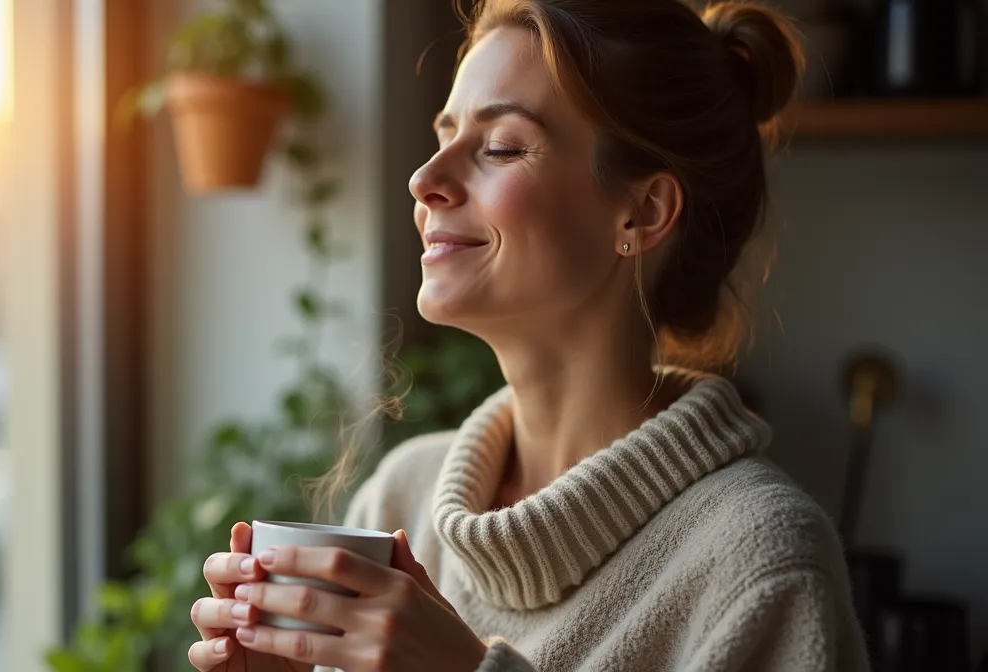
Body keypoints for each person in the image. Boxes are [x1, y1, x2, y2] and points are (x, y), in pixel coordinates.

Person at [188, 0, 869, 669]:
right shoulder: (402, 501)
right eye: (443, 135)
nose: (424, 180)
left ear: (643, 210)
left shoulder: (763, 562)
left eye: (501, 146)